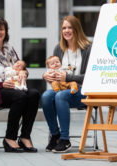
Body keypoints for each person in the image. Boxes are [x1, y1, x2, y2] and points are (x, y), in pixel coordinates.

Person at [0, 17, 39, 153]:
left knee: (34, 94)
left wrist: (24, 73)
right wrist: (1, 84)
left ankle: (24, 137)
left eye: (1, 29)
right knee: (21, 97)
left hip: (13, 89)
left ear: (5, 31)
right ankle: (9, 138)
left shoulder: (10, 49)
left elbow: (21, 68)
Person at [41, 15, 91, 153]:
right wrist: (46, 75)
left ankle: (65, 139)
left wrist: (68, 77)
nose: (66, 31)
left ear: (77, 29)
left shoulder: (88, 49)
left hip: (83, 91)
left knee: (60, 96)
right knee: (46, 96)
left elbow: (91, 77)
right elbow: (53, 69)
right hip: (63, 89)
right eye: (64, 28)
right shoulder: (59, 48)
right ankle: (55, 135)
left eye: (70, 27)